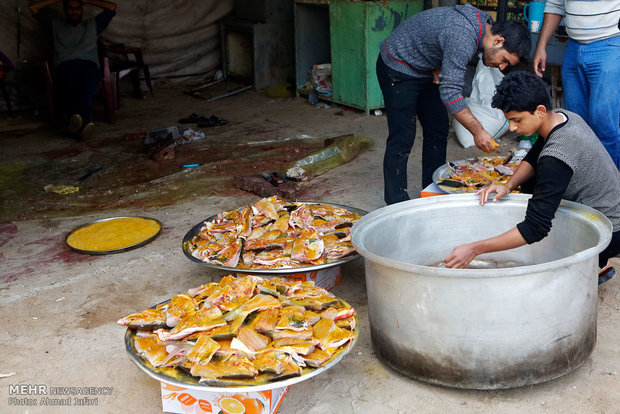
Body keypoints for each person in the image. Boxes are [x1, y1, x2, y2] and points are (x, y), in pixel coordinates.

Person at [444, 72, 620, 284]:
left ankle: (592, 265)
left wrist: (474, 248)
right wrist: (507, 186)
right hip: (608, 210)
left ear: (540, 111)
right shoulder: (564, 117)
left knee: (542, 278)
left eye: (517, 120)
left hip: (608, 229)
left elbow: (535, 228)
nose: (512, 128)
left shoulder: (556, 157)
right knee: (529, 184)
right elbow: (536, 153)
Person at [377, 3, 531, 205]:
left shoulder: (484, 28)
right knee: (403, 137)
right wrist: (477, 130)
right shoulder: (463, 34)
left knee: (438, 128)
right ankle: (396, 204)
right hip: (398, 66)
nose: (501, 67)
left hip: (426, 69)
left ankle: (432, 193)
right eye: (504, 60)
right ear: (498, 40)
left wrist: (437, 65)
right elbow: (450, 93)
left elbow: (443, 44)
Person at [532, 0, 620, 169]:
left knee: (603, 123)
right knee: (574, 123)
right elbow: (555, 5)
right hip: (573, 47)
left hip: (609, 44)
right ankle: (582, 181)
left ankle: (611, 188)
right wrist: (541, 45)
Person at [29, 0, 117, 137]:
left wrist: (86, 0)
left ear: (82, 9)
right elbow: (33, 8)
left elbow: (112, 7)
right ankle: (84, 122)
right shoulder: (55, 25)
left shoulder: (93, 25)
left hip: (88, 64)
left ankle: (76, 122)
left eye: (78, 8)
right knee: (69, 84)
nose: (75, 11)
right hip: (65, 64)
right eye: (70, 8)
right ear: (64, 10)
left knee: (87, 86)